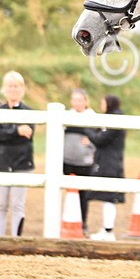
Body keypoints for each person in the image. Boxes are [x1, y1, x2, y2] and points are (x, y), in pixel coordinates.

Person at [0, 71, 34, 236]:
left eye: (16, 86)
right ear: (4, 89)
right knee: (0, 205)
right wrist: (16, 130)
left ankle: (16, 239)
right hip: (1, 163)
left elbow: (28, 135)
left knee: (17, 204)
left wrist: (8, 133)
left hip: (22, 164)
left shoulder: (29, 112)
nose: (13, 89)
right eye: (10, 86)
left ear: (22, 89)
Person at [86, 94, 126, 241]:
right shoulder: (112, 118)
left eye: (103, 102)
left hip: (111, 162)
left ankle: (108, 231)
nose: (101, 105)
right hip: (109, 161)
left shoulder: (114, 119)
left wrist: (87, 131)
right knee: (107, 197)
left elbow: (100, 139)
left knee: (109, 197)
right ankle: (106, 229)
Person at [63, 89, 96, 236]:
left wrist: (91, 141)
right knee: (65, 193)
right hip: (67, 161)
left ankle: (83, 224)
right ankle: (64, 222)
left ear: (85, 101)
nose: (77, 103)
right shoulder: (66, 116)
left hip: (85, 162)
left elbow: (100, 137)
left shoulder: (92, 117)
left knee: (83, 195)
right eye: (74, 100)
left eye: (80, 100)